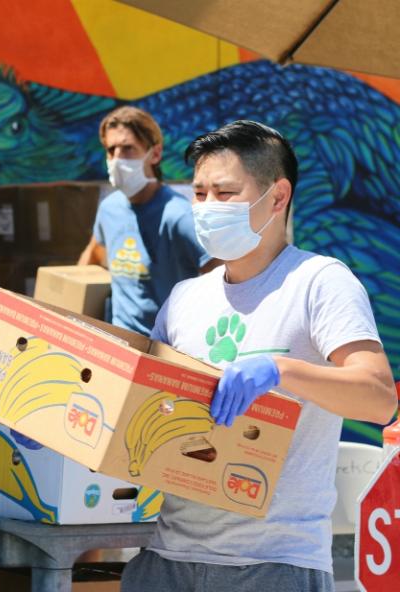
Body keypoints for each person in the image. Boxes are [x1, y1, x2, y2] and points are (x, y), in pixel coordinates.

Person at [120, 120, 397, 592]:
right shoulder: (185, 297)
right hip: (166, 559)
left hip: (274, 565)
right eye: (200, 193)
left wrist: (280, 369)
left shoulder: (319, 282)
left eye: (225, 193)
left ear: (278, 196)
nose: (207, 208)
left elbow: (378, 398)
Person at [79, 106, 216, 335]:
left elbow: (222, 275)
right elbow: (92, 257)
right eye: (111, 150)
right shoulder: (109, 209)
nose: (117, 159)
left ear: (155, 154)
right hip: (117, 345)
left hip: (165, 349)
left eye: (128, 148)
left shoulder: (178, 215)